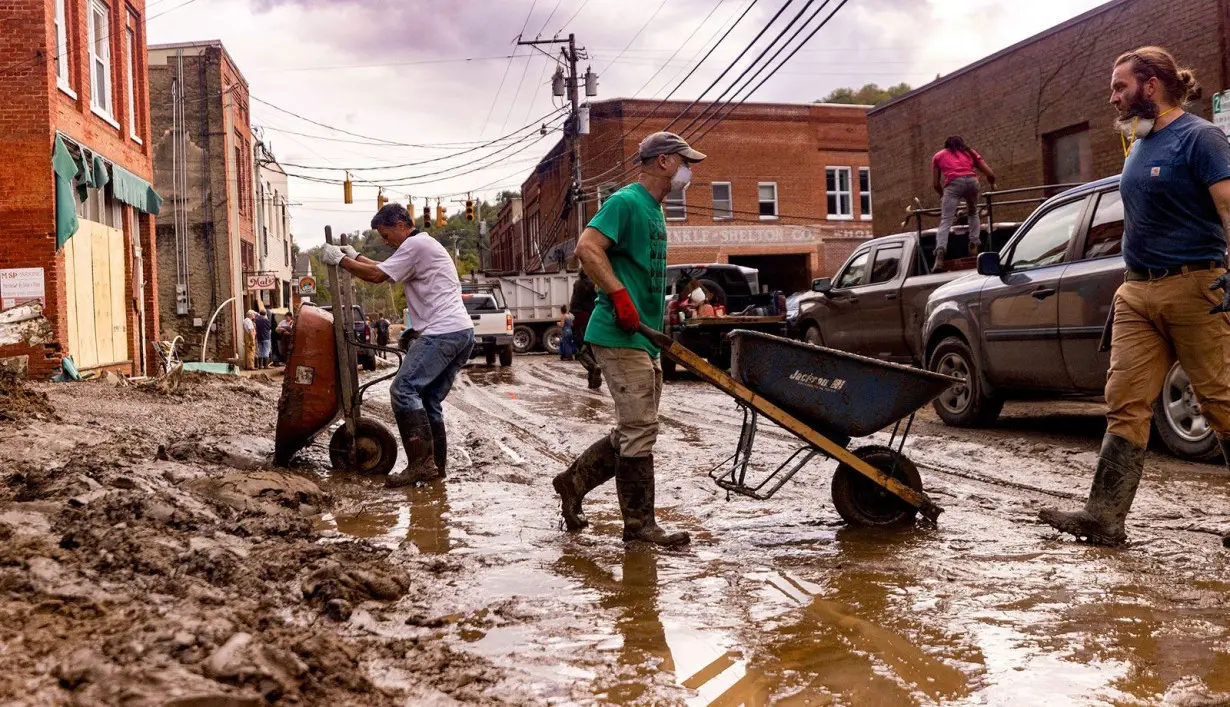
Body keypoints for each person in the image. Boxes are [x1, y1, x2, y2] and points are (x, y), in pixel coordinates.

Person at [1040, 47, 1230, 547]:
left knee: (1220, 400)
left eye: (1120, 86)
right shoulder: (1139, 143)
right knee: (1125, 403)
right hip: (1136, 291)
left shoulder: (1201, 138)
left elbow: (1229, 205)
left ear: (1150, 85)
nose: (1113, 97)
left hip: (1196, 287)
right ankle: (1103, 517)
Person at [553, 131, 706, 547]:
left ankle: (572, 482)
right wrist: (618, 295)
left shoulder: (656, 210)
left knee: (632, 430)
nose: (689, 170)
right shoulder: (626, 202)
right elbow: (587, 247)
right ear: (663, 162)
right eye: (684, 161)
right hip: (619, 334)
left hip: (644, 338)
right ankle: (640, 526)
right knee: (640, 427)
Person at [319, 204, 475, 484]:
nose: (384, 240)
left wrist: (339, 261)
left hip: (443, 331)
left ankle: (420, 466)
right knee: (428, 399)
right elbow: (383, 269)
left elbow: (377, 276)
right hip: (461, 331)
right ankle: (434, 467)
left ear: (402, 224)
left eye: (386, 233)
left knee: (403, 389)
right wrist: (355, 256)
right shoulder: (419, 246)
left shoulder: (416, 247)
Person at [932, 135, 997, 271]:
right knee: (973, 213)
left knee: (946, 219)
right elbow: (990, 174)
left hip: (953, 184)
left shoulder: (938, 156)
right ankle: (973, 243)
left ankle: (940, 252)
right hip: (972, 182)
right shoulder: (969, 152)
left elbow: (936, 183)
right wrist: (992, 184)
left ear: (946, 145)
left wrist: (942, 195)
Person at [569, 270, 602, 389]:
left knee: (580, 349)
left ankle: (593, 366)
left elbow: (573, 303)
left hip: (581, 319)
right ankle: (592, 380)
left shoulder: (578, 285)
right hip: (594, 318)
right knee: (591, 347)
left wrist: (572, 313)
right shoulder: (595, 284)